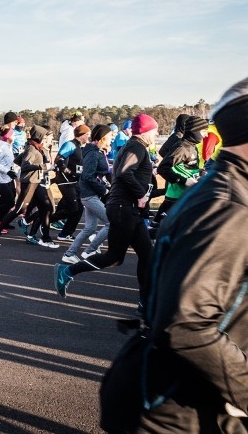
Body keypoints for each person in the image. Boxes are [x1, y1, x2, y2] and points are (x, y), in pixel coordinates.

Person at [100, 77, 248, 432]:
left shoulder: (224, 190)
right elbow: (187, 325)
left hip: (186, 398)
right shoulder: (229, 206)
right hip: (177, 409)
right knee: (115, 255)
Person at [55, 114, 158, 305]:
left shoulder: (135, 147)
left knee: (147, 256)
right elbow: (124, 172)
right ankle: (67, 271)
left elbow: (117, 174)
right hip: (123, 209)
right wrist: (140, 194)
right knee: (114, 257)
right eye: (155, 130)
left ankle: (146, 301)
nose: (157, 133)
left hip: (128, 209)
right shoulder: (136, 147)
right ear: (145, 131)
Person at [0, 125, 58, 248]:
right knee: (19, 209)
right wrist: (42, 167)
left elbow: (17, 161)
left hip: (36, 182)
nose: (49, 139)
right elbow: (25, 166)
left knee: (46, 207)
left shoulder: (35, 148)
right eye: (47, 136)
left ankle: (46, 238)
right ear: (40, 137)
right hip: (30, 182)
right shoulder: (32, 149)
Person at [60, 125, 114, 264]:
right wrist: (104, 190)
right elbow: (88, 176)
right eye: (110, 136)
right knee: (111, 223)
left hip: (90, 194)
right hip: (89, 195)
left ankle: (69, 254)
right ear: (102, 138)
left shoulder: (98, 152)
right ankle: (90, 250)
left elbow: (103, 172)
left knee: (90, 228)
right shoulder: (93, 154)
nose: (112, 138)